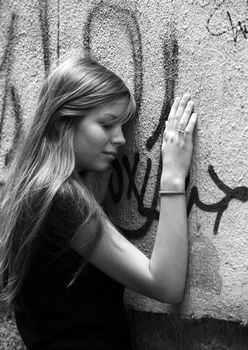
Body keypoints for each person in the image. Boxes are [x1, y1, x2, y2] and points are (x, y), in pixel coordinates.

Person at [0, 53, 197, 350]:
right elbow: (165, 284)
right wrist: (172, 175)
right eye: (106, 125)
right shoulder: (62, 200)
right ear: (61, 124)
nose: (119, 138)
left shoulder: (31, 189)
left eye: (122, 126)